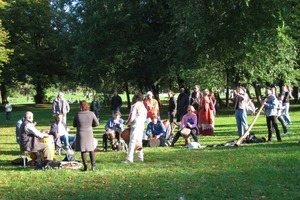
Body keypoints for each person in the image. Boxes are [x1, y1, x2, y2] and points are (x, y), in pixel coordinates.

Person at [73, 100, 99, 171]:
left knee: (83, 150)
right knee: (91, 149)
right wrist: (91, 125)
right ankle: (93, 166)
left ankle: (86, 167)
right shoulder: (91, 113)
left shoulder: (77, 114)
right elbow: (97, 123)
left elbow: (74, 124)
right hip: (89, 132)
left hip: (80, 133)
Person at [123, 93, 147, 163]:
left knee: (132, 141)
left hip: (135, 125)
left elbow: (131, 116)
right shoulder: (143, 106)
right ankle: (140, 157)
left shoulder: (134, 105)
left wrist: (127, 123)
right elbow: (145, 117)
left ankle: (129, 159)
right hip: (142, 124)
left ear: (136, 98)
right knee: (139, 142)